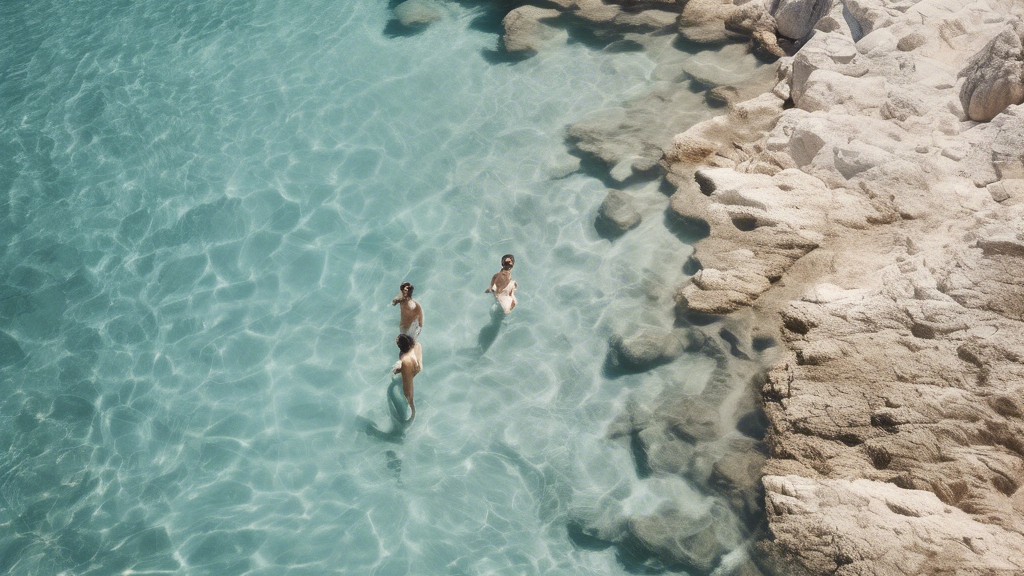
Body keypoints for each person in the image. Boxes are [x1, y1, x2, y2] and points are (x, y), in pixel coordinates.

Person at [392, 334, 422, 421]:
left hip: (408, 376)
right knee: (408, 396)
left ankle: (413, 414)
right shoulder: (412, 351)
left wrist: (399, 371)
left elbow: (408, 372)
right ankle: (412, 411)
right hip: (411, 370)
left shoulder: (405, 358)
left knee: (408, 396)